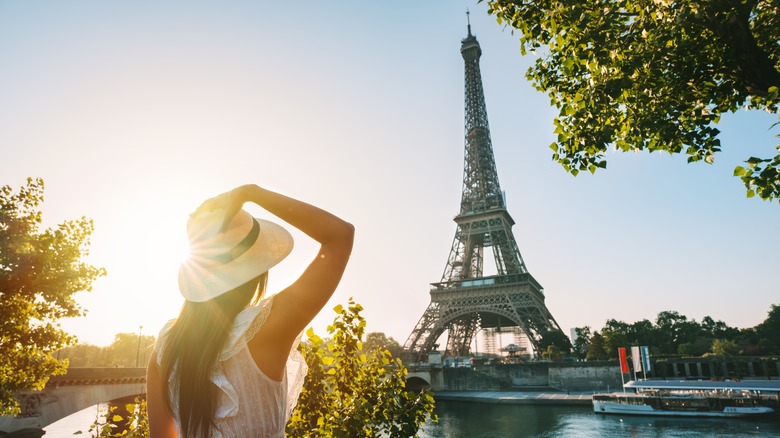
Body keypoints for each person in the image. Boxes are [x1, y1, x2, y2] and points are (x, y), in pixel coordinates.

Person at [146, 184, 354, 438]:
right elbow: (340, 236)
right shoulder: (268, 326)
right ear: (257, 270)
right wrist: (251, 193)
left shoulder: (166, 346)